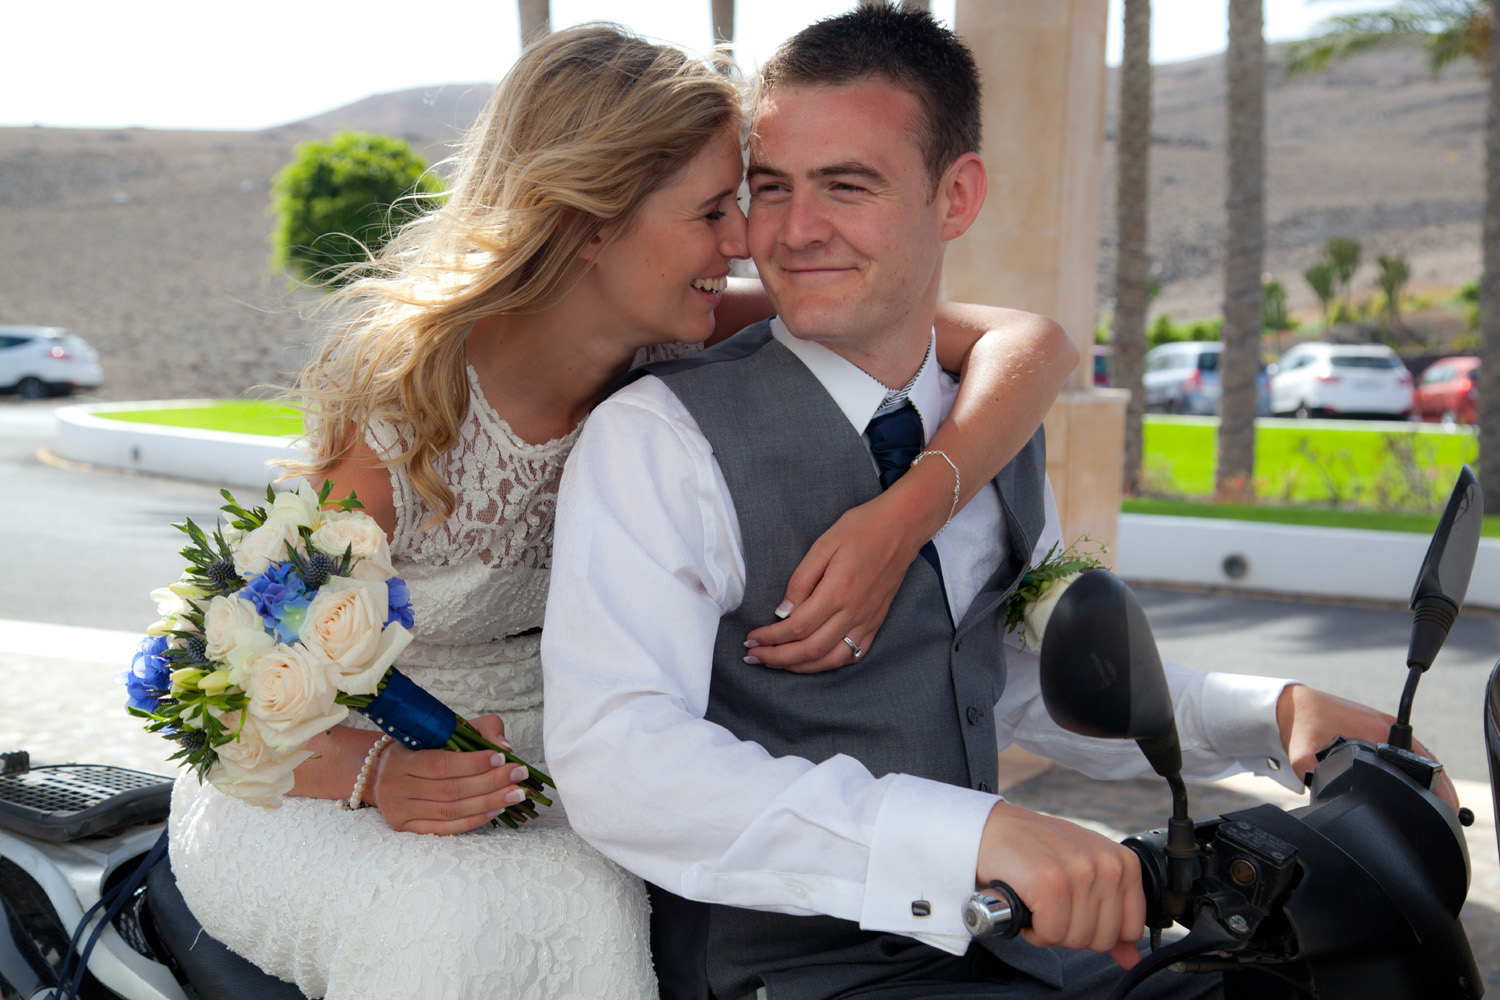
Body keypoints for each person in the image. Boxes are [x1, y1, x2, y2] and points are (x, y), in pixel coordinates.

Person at [540, 8, 1458, 1000]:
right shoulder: (661, 438)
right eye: (771, 190)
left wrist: (1271, 714)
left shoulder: (992, 431)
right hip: (797, 974)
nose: (795, 231)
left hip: (1002, 953)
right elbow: (620, 758)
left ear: (957, 195)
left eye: (848, 186)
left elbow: (1020, 679)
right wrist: (969, 835)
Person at [166, 22, 1079, 1000]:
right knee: (466, 922)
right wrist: (377, 775)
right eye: (711, 213)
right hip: (330, 794)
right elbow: (214, 688)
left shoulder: (683, 334)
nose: (746, 244)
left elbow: (1031, 344)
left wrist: (904, 517)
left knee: (611, 904)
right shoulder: (403, 420)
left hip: (558, 784)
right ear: (588, 224)